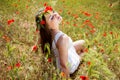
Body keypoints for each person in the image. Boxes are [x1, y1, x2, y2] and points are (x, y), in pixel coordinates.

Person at [35, 6, 85, 78]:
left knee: (83, 43)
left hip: (59, 56)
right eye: (51, 18)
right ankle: (78, 57)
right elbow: (64, 65)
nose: (55, 15)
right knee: (84, 52)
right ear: (47, 27)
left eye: (54, 12)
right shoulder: (62, 39)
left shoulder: (45, 35)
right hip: (69, 65)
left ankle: (74, 53)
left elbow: (36, 46)